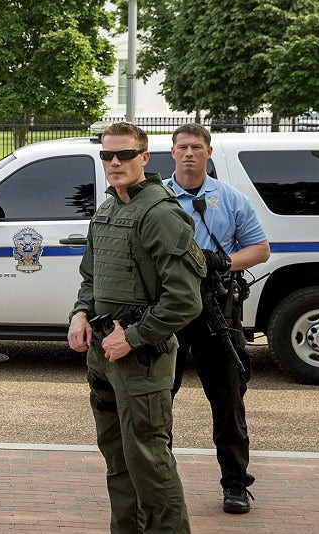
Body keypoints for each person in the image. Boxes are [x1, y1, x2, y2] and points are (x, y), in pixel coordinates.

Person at [68, 121, 205, 533]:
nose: (115, 162)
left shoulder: (161, 214)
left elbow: (185, 300)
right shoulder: (109, 207)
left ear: (144, 158)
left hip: (141, 360)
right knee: (118, 461)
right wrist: (79, 313)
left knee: (149, 463)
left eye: (125, 154)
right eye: (107, 155)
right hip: (104, 357)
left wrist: (132, 338)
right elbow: (90, 277)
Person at [166, 123, 270, 515]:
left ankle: (235, 484)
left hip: (217, 309)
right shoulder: (156, 198)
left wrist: (223, 262)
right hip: (168, 308)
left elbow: (259, 249)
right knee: (159, 398)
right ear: (171, 153)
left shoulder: (230, 199)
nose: (189, 153)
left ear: (208, 152)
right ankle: (160, 481)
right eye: (182, 147)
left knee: (228, 400)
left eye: (196, 147)